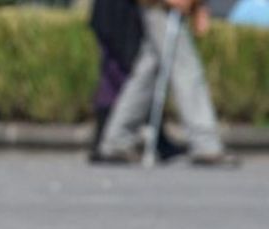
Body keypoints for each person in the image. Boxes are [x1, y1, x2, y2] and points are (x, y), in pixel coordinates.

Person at [97, 0, 239, 167]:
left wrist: (199, 6)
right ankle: (206, 144)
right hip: (161, 7)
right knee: (186, 72)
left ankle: (116, 140)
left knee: (148, 73)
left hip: (160, 7)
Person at [89, 0, 187, 164]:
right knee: (123, 69)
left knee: (138, 71)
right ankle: (110, 137)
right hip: (120, 12)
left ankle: (117, 138)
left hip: (128, 11)